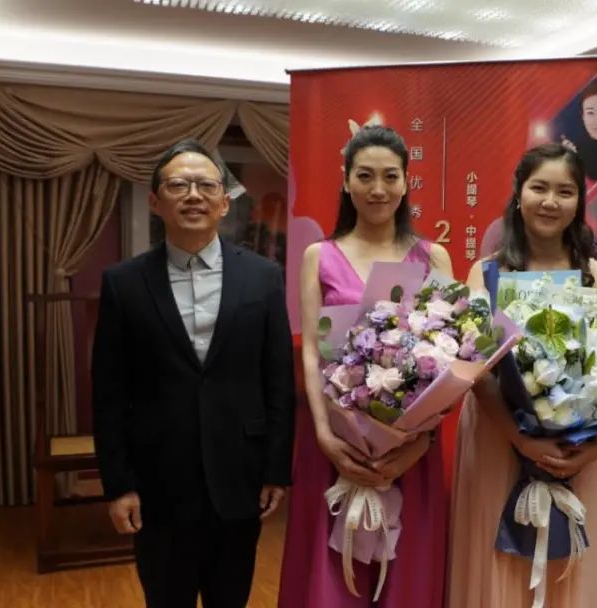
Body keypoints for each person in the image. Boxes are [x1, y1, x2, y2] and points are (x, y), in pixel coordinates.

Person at [92, 139, 295, 608]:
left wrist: (276, 469)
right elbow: (108, 392)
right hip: (157, 480)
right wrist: (118, 484)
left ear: (224, 202)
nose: (193, 195)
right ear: (154, 201)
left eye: (206, 185)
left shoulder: (263, 277)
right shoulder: (123, 283)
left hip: (240, 477)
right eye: (178, 185)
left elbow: (278, 381)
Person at [278, 125, 453, 608]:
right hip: (335, 447)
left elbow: (451, 358)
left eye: (390, 176)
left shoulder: (432, 257)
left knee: (405, 578)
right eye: (365, 176)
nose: (378, 189)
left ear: (406, 182)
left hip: (409, 451)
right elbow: (312, 354)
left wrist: (416, 444)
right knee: (331, 577)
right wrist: (324, 437)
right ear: (346, 180)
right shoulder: (319, 256)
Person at [449, 142, 597, 608]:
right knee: (497, 567)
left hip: (572, 452)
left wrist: (596, 445)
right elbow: (478, 372)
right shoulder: (485, 273)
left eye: (565, 191)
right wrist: (521, 440)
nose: (550, 201)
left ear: (579, 201)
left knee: (565, 569)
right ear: (518, 193)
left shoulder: (596, 276)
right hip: (497, 441)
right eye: (539, 188)